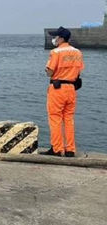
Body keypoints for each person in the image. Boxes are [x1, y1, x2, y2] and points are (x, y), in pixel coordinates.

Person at [41, 27, 84, 157]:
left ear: (61, 38)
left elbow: (50, 72)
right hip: (71, 88)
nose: (54, 39)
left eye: (55, 37)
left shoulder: (56, 52)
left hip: (57, 88)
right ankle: (70, 149)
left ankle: (57, 149)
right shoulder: (78, 53)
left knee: (55, 118)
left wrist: (48, 71)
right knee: (69, 119)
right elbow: (79, 71)